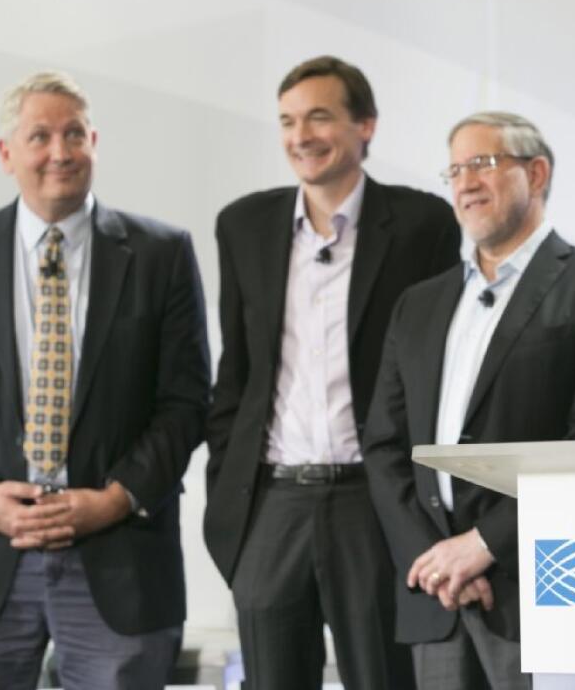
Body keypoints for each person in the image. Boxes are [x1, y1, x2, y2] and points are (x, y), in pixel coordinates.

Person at [0, 71, 211, 689]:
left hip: (119, 557)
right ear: (6, 153)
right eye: (39, 135)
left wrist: (116, 498)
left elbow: (185, 402)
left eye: (74, 134)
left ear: (94, 141)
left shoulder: (161, 253)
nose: (60, 152)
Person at [363, 111, 575, 689]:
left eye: (484, 164)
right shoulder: (418, 303)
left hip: (541, 589)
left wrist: (484, 545)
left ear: (536, 173)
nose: (465, 182)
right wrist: (441, 559)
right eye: (455, 169)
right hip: (437, 596)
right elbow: (385, 445)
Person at [202, 55, 459, 689]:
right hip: (271, 503)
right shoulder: (243, 225)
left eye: (319, 116)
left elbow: (434, 372)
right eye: (288, 120)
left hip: (370, 502)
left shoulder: (421, 223)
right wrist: (225, 492)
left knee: (382, 677)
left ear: (364, 125)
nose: (301, 136)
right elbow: (235, 373)